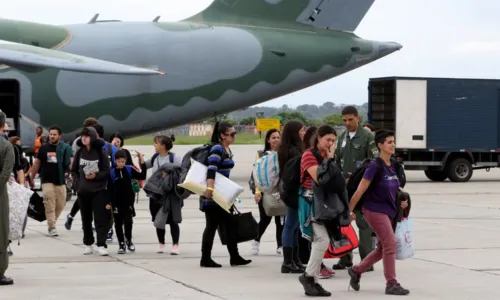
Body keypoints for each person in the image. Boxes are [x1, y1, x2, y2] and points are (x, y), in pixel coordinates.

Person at [347, 129, 410, 295]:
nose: (393, 145)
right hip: (373, 210)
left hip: (389, 211)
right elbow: (360, 191)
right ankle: (391, 283)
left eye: (393, 141)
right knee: (390, 244)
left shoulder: (393, 165)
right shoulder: (374, 166)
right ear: (380, 145)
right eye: (389, 142)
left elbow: (395, 190)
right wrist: (349, 210)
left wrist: (402, 201)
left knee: (382, 248)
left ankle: (357, 270)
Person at [333, 106, 379, 271]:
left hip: (361, 187)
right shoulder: (342, 137)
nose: (347, 123)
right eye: (344, 120)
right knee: (342, 223)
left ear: (357, 118)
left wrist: (360, 176)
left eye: (350, 119)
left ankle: (366, 262)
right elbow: (336, 160)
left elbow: (374, 162)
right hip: (344, 188)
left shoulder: (367, 136)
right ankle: (345, 258)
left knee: (363, 224)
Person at [200, 121, 251, 268]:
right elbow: (211, 168)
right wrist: (210, 190)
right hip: (214, 195)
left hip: (224, 194)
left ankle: (234, 257)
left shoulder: (226, 148)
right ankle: (205, 258)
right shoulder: (217, 148)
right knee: (211, 226)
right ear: (223, 135)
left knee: (229, 224)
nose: (234, 136)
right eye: (232, 133)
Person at [298, 125, 340, 296]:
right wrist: (329, 161)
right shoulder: (308, 155)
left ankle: (312, 281)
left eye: (333, 141)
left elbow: (335, 179)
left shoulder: (327, 155)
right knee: (321, 240)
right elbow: (320, 179)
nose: (330, 144)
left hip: (324, 203)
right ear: (318, 138)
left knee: (321, 241)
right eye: (327, 140)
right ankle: (308, 277)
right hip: (310, 202)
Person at [70, 127, 111, 256]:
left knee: (100, 219)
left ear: (92, 137)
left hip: (98, 190)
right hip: (83, 191)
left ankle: (101, 244)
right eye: (82, 136)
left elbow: (106, 171)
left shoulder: (101, 152)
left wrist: (96, 176)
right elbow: (73, 170)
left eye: (87, 136)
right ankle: (88, 243)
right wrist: (77, 183)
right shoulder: (80, 152)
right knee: (85, 219)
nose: (84, 138)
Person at [30, 126, 73, 237]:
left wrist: (73, 175)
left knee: (61, 203)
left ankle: (52, 219)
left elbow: (71, 163)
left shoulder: (65, 148)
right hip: (47, 180)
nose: (52, 136)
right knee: (49, 203)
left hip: (61, 180)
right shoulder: (44, 148)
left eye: (55, 134)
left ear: (59, 136)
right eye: (51, 134)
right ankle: (52, 227)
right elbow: (37, 164)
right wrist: (31, 177)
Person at [144, 135, 183, 254]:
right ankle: (161, 243)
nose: (154, 146)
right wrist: (140, 160)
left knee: (173, 220)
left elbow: (184, 170)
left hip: (170, 194)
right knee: (158, 220)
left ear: (163, 145)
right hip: (156, 194)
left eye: (156, 143)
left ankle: (175, 245)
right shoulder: (155, 157)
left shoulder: (174, 158)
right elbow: (145, 166)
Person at [277, 120, 307, 274]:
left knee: (293, 226)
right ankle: (288, 261)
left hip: (288, 190)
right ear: (295, 133)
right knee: (291, 225)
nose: (304, 133)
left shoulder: (284, 149)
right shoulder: (294, 151)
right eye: (302, 130)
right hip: (293, 191)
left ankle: (293, 260)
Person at [251, 129, 284, 256]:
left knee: (280, 219)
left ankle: (280, 245)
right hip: (265, 191)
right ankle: (256, 240)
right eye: (273, 137)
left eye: (278, 137)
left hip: (279, 191)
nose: (276, 140)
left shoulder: (283, 153)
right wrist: (257, 192)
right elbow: (256, 174)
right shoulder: (261, 154)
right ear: (268, 140)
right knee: (265, 218)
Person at [109, 150, 147, 254]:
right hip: (116, 203)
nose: (121, 163)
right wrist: (109, 203)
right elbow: (109, 189)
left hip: (128, 202)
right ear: (115, 161)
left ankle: (129, 240)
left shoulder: (130, 170)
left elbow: (142, 176)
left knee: (128, 222)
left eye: (123, 161)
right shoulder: (111, 173)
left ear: (125, 161)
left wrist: (142, 162)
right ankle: (121, 243)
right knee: (118, 223)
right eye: (119, 161)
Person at [0, 111, 15, 285]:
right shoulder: (6, 146)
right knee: (1, 233)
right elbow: (5, 175)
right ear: (3, 125)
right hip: (0, 196)